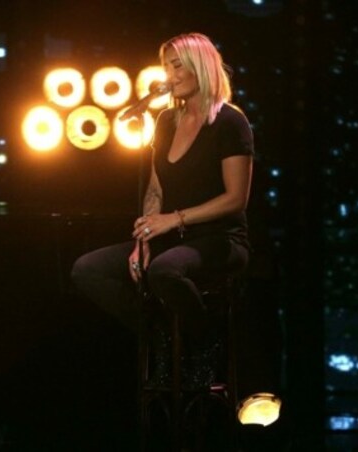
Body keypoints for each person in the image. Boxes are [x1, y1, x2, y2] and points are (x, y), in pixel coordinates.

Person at [71, 33, 253, 384]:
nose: (169, 75)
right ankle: (161, 336)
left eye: (177, 65)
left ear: (201, 67)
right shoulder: (165, 121)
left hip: (220, 239)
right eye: (166, 66)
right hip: (173, 237)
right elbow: (155, 188)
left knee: (164, 271)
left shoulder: (230, 123)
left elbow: (235, 198)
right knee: (87, 269)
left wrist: (176, 219)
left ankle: (203, 344)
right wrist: (144, 241)